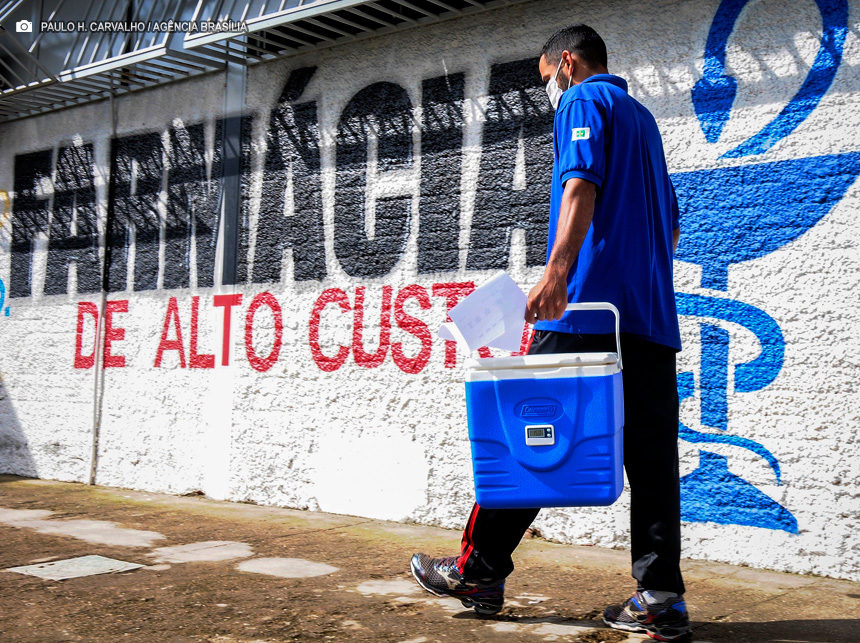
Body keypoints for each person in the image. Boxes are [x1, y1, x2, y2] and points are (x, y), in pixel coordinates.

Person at [410, 24, 691, 642]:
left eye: (547, 80)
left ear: (566, 62)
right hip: (649, 320)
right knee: (652, 462)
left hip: (586, 310)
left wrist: (558, 275)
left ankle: (477, 570)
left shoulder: (585, 99)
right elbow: (671, 226)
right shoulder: (645, 123)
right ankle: (660, 599)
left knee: (528, 433)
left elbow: (579, 185)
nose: (551, 92)